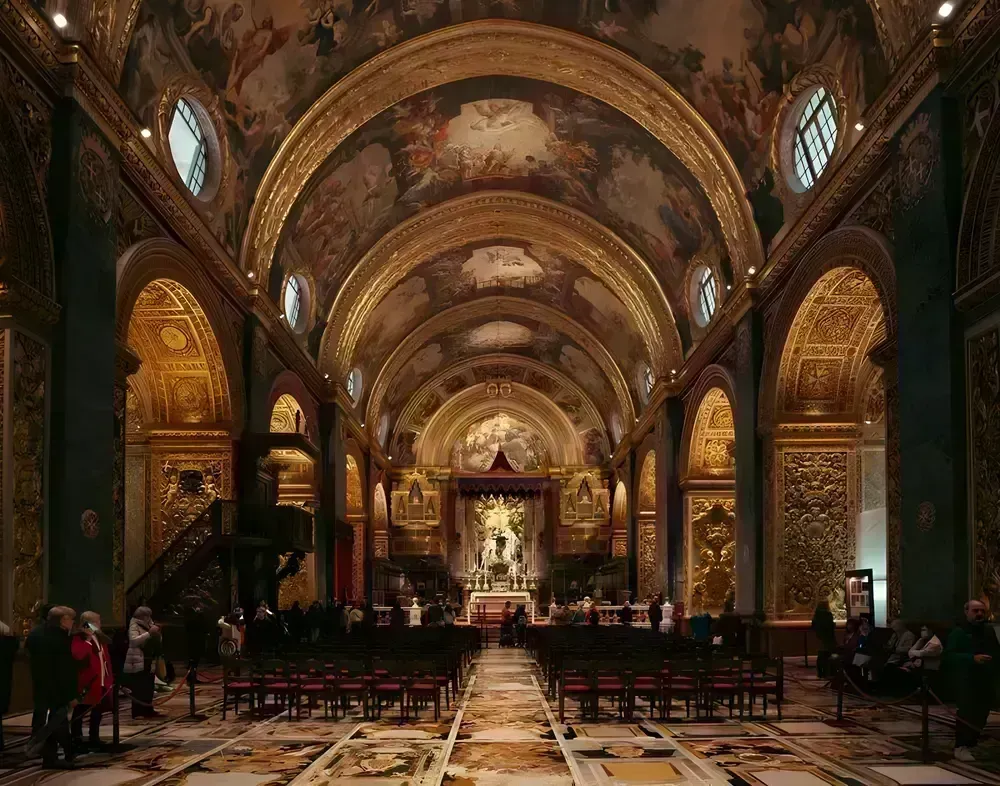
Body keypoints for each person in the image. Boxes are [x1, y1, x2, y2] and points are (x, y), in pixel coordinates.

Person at [946, 599, 1000, 761]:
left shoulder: (988, 631)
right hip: (966, 680)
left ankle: (971, 743)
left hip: (986, 679)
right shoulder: (959, 632)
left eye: (982, 611)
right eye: (975, 611)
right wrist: (972, 659)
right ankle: (961, 745)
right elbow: (949, 656)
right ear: (967, 612)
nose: (979, 614)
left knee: (981, 714)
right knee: (967, 714)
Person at [26, 606, 78, 768]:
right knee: (56, 724)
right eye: (71, 619)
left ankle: (54, 754)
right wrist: (71, 694)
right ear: (63, 620)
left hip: (40, 684)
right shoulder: (61, 639)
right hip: (58, 688)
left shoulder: (35, 634)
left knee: (42, 721)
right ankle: (56, 756)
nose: (73, 623)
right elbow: (65, 669)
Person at [70, 611, 112, 752]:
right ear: (88, 623)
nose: (99, 624)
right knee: (80, 711)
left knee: (97, 711)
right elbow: (79, 656)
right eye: (97, 622)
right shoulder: (78, 638)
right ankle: (77, 738)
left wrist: (108, 678)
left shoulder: (99, 637)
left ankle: (94, 737)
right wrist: (87, 639)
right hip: (87, 681)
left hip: (100, 680)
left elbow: (105, 659)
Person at [124, 607, 161, 719]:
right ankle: (138, 712)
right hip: (138, 659)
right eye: (147, 616)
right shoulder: (134, 625)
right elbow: (134, 641)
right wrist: (149, 633)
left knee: (148, 686)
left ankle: (148, 709)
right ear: (142, 616)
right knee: (139, 687)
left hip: (148, 658)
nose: (149, 618)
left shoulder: (149, 623)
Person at [811, 600, 837, 678]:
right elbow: (830, 627)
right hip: (828, 638)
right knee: (827, 655)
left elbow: (813, 625)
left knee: (821, 656)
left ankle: (820, 673)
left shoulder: (816, 615)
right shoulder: (828, 614)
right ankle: (828, 673)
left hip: (819, 637)